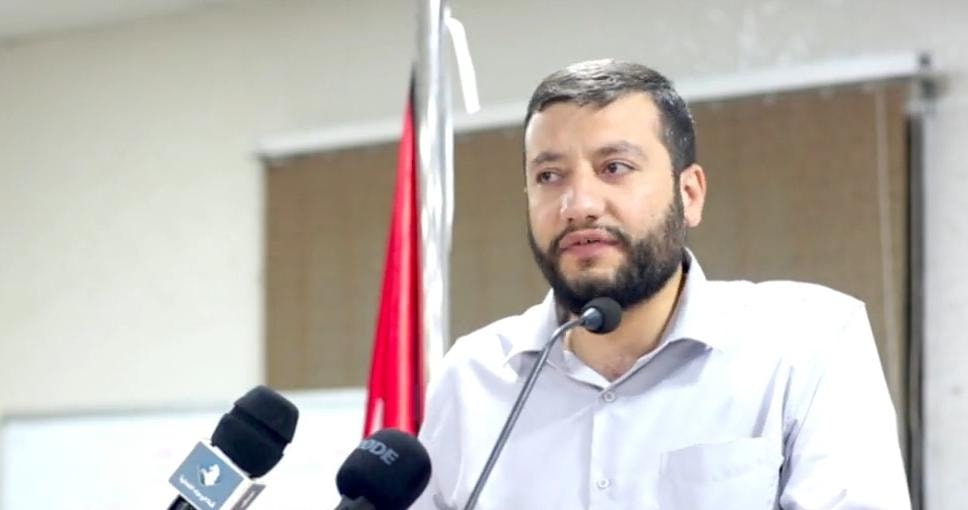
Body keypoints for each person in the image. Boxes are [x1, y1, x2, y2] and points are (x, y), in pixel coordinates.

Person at [411, 59, 910, 509]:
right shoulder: (472, 378)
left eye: (615, 168)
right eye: (549, 176)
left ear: (688, 194)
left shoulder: (807, 341)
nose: (579, 204)